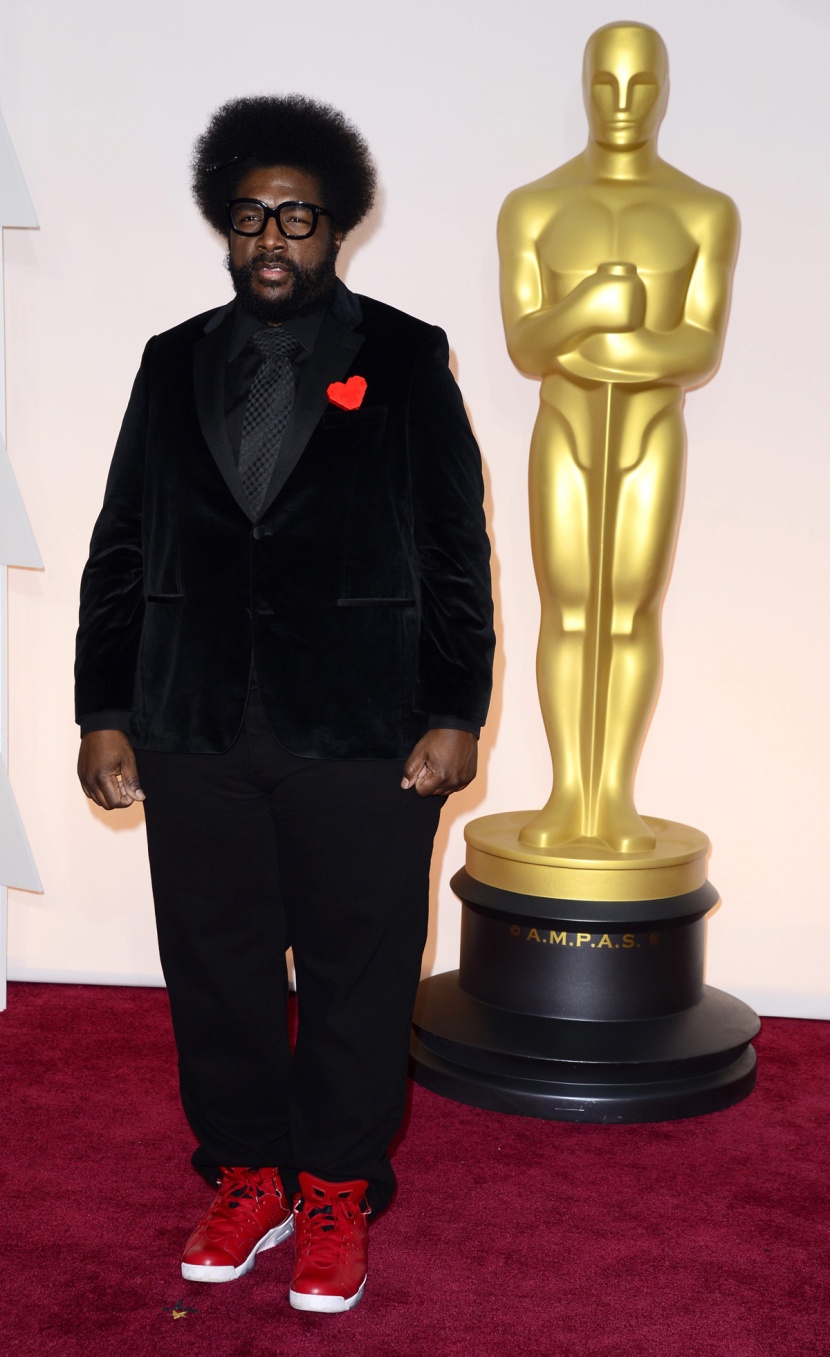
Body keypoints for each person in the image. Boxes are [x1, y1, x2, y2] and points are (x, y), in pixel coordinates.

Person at [75, 95, 494, 1313]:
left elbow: (454, 549)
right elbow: (120, 544)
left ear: (337, 227)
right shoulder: (170, 360)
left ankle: (337, 1187)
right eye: (251, 214)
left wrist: (454, 706)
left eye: (297, 217)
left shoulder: (403, 356)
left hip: (362, 728)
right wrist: (103, 707)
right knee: (215, 965)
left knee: (361, 968)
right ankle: (247, 1171)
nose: (272, 237)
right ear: (225, 223)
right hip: (191, 722)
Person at [498, 21, 738, 854]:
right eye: (607, 82)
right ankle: (570, 792)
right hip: (565, 425)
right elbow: (526, 344)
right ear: (584, 86)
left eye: (642, 83)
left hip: (651, 431)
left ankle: (615, 799)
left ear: (664, 90)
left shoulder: (704, 211)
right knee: (567, 609)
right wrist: (588, 309)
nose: (624, 101)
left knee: (631, 611)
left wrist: (598, 346)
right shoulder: (534, 206)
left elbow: (699, 346)